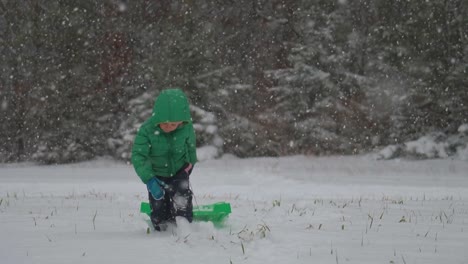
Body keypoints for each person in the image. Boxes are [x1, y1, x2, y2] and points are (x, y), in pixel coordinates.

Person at [131, 88, 197, 231]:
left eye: (174, 124)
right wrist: (149, 178)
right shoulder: (147, 130)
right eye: (165, 124)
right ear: (158, 117)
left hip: (180, 169)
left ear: (181, 121)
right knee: (159, 203)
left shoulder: (186, 127)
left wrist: (191, 163)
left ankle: (184, 224)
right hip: (156, 174)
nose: (169, 128)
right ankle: (161, 225)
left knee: (182, 196)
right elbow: (138, 155)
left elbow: (190, 145)